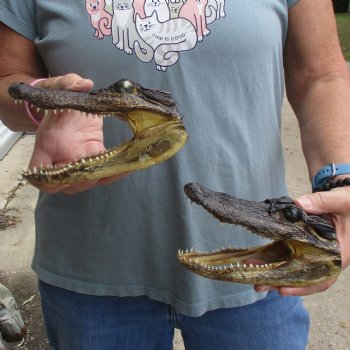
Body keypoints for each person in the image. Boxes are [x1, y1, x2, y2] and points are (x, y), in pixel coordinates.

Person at [0, 1, 349, 349]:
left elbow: (321, 74)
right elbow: (8, 82)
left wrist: (340, 179)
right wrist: (45, 104)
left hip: (264, 262)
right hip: (90, 271)